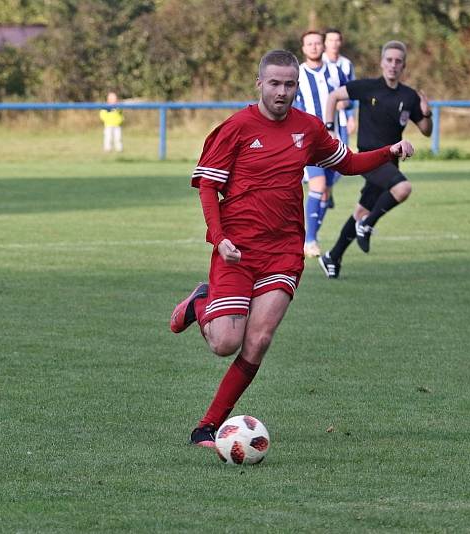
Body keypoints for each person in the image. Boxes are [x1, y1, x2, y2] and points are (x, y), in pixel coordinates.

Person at [169, 50, 414, 448]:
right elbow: (210, 186)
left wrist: (388, 152)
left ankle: (208, 426)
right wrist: (218, 237)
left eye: (289, 84)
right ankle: (201, 303)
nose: (282, 92)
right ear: (259, 83)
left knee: (259, 340)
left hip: (283, 251)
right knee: (225, 343)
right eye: (275, 83)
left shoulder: (309, 128)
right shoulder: (235, 128)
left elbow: (347, 163)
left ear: (296, 86)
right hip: (238, 250)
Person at [319, 41, 432, 279]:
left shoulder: (409, 96)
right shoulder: (368, 87)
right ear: (382, 62)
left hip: (391, 162)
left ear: (404, 65)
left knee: (361, 211)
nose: (393, 65)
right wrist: (329, 129)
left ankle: (333, 255)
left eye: (398, 61)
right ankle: (367, 225)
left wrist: (427, 113)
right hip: (369, 159)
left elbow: (426, 130)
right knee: (403, 188)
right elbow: (333, 97)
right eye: (389, 60)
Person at [294, 31, 349, 258]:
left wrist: (345, 105)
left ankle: (310, 236)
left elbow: (347, 97)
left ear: (323, 46)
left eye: (318, 43)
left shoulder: (336, 71)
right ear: (303, 48)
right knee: (317, 186)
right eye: (310, 44)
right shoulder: (297, 74)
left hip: (332, 140)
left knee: (326, 193)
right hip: (309, 142)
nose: (314, 47)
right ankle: (309, 241)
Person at [323, 29, 357, 146]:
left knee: (342, 151)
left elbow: (353, 92)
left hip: (341, 117)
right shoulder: (319, 62)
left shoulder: (346, 64)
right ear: (325, 42)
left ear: (341, 42)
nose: (334, 43)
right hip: (321, 116)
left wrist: (351, 117)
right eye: (330, 40)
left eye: (337, 40)